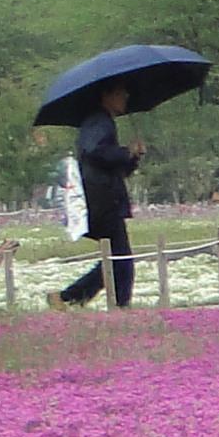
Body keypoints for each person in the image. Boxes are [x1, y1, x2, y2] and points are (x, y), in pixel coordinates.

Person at [55, 81, 143, 308]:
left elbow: (116, 168)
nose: (125, 97)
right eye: (121, 93)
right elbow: (95, 152)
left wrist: (133, 157)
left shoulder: (103, 122)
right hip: (102, 200)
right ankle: (75, 299)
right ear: (107, 95)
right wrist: (125, 152)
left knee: (117, 259)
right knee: (119, 259)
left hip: (106, 198)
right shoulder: (98, 121)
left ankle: (71, 298)